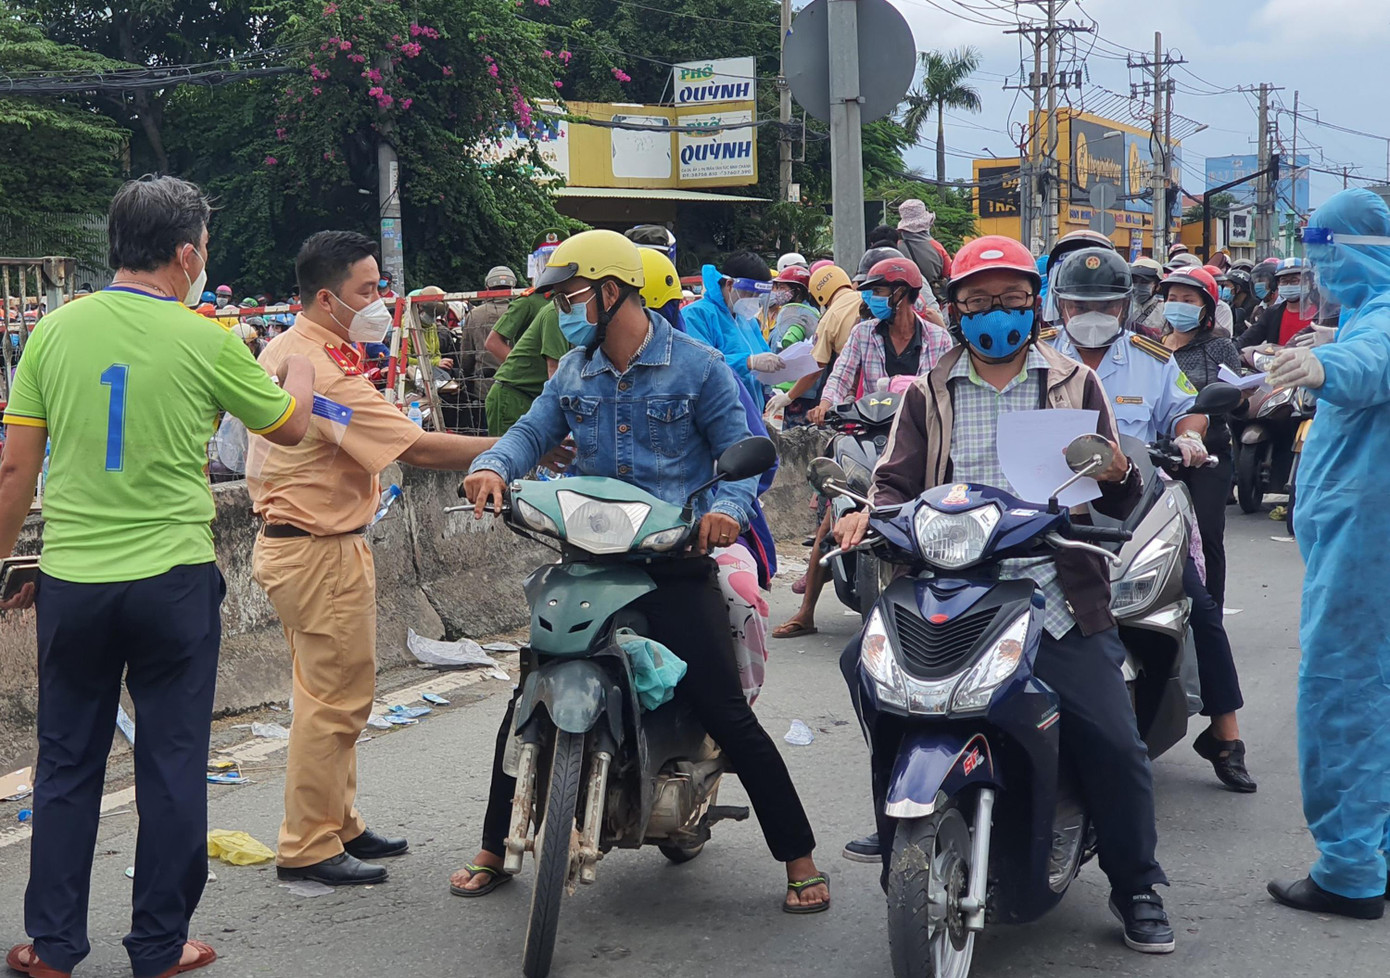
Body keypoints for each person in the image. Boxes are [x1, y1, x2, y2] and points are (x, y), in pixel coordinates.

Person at [452, 230, 829, 913]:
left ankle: (798, 857)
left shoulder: (700, 365)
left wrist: (725, 511)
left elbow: (746, 453)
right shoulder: (573, 370)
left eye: (570, 295)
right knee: (524, 699)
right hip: (591, 563)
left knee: (727, 711)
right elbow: (530, 433)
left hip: (674, 562)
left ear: (612, 290)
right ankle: (493, 846)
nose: (563, 309)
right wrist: (490, 468)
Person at [0, 175, 315, 978]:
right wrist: (304, 371)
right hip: (173, 579)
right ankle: (160, 944)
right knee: (171, 760)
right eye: (203, 248)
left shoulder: (51, 333)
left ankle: (53, 945)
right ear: (185, 253)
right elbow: (288, 425)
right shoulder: (209, 339)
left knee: (67, 761)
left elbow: (12, 474)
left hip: (73, 580)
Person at [834, 235, 1175, 953]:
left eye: (1013, 302)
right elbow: (894, 483)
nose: (997, 316)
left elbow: (1121, 493)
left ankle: (1137, 884)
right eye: (980, 302)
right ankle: (905, 805)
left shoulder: (1075, 383)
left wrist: (1115, 471)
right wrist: (867, 512)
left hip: (1052, 589)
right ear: (955, 311)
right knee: (864, 674)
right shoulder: (931, 389)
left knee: (1113, 737)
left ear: (1034, 306)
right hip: (948, 585)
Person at [247, 231, 513, 887]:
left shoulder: (292, 349)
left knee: (337, 694)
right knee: (331, 703)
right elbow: (416, 448)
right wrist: (522, 444)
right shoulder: (322, 370)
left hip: (309, 545)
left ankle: (339, 822)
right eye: (367, 292)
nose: (380, 304)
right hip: (316, 550)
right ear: (326, 297)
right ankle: (308, 844)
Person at [1049, 254, 1255, 792]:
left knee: (1200, 606)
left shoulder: (1152, 359)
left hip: (1135, 509)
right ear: (1061, 306)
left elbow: (1187, 410)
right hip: (1054, 514)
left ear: (1125, 306)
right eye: (1079, 305)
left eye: (1104, 305)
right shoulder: (1038, 357)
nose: (1091, 314)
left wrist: (1189, 435)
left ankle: (1225, 735)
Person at [1264, 188, 1390, 920]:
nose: (1319, 279)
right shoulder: (1366, 316)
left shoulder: (1379, 322)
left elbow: (1374, 364)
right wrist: (1327, 352)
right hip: (1361, 539)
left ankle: (1348, 871)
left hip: (1364, 549)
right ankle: (1372, 849)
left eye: (1325, 262)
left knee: (1344, 695)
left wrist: (1326, 369)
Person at [772, 258, 952, 640]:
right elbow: (839, 377)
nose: (871, 297)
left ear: (902, 294)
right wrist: (826, 404)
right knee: (835, 513)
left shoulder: (938, 339)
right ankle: (807, 611)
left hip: (923, 440)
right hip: (868, 435)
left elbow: (947, 389)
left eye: (879, 290)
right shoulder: (863, 333)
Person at [681, 251, 781, 402]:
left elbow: (763, 357)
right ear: (730, 285)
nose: (754, 301)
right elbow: (698, 366)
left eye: (758, 296)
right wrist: (748, 362)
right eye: (750, 294)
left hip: (751, 414)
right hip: (719, 413)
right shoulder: (696, 315)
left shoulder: (747, 320)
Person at [457, 266, 516, 402]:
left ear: (487, 288)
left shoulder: (475, 314)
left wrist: (465, 377)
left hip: (484, 387)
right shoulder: (520, 311)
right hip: (516, 384)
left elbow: (467, 355)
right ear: (512, 287)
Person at [1238, 258, 1314, 348]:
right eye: (1284, 281)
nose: (1288, 285)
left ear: (1309, 282)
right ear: (1278, 284)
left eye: (1294, 280)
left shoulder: (1321, 315)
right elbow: (1248, 339)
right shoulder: (1272, 313)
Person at [894, 198, 950, 294]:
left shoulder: (896, 248)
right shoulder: (936, 247)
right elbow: (948, 273)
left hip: (903, 299)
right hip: (932, 300)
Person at [403, 285, 456, 372]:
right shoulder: (406, 324)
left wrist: (440, 362)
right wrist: (434, 363)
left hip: (431, 375)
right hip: (411, 377)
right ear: (419, 307)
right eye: (430, 314)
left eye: (435, 316)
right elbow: (402, 360)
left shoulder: (432, 326)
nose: (432, 319)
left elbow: (437, 353)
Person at [1129, 257, 1167, 338]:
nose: (1138, 286)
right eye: (1134, 281)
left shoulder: (1165, 310)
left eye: (1144, 282)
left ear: (1157, 286)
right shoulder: (1122, 306)